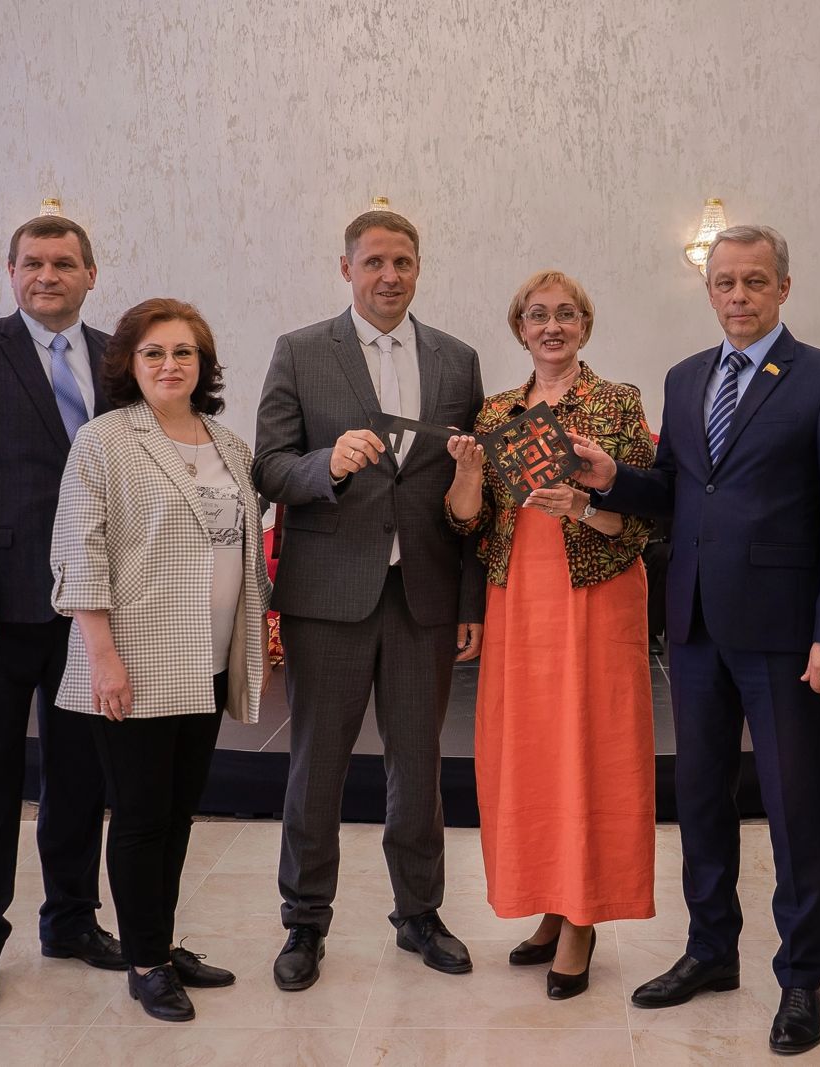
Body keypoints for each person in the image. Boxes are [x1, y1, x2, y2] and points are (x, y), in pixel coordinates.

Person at [572, 225, 820, 1055]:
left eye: (754, 281)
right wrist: (614, 479)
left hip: (787, 635)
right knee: (701, 798)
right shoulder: (685, 377)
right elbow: (678, 489)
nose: (738, 296)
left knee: (792, 808)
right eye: (724, 282)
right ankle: (710, 949)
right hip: (696, 625)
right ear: (708, 291)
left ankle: (801, 978)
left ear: (784, 287)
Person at [254, 209, 486, 990]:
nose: (390, 275)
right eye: (375, 261)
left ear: (419, 268)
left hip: (423, 594)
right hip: (328, 595)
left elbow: (472, 486)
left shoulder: (457, 359)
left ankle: (419, 912)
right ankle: (304, 920)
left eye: (404, 262)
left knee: (418, 766)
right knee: (316, 764)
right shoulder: (299, 351)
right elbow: (269, 468)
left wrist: (470, 602)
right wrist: (326, 463)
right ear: (346, 267)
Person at [0, 215, 121, 1014]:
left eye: (64, 263)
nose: (48, 275)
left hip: (93, 607)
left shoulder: (120, 356)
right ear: (10, 272)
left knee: (81, 772)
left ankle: (70, 919)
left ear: (90, 274)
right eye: (33, 262)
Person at [51, 298, 268, 1021]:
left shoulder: (228, 443)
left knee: (178, 812)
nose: (170, 364)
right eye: (154, 352)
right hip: (136, 658)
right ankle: (144, 962)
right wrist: (103, 655)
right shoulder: (104, 441)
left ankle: (161, 942)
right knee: (142, 816)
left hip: (207, 656)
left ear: (204, 364)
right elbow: (78, 549)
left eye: (183, 352)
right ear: (129, 363)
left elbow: (241, 548)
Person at [444, 270, 656, 1000]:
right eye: (538, 315)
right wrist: (467, 471)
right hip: (519, 600)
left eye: (567, 314)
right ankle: (546, 899)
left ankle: (582, 917)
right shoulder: (496, 410)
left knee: (591, 751)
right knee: (530, 756)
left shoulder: (616, 401)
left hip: (596, 597)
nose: (552, 326)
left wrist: (583, 505)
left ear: (585, 325)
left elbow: (641, 521)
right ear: (521, 328)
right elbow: (469, 520)